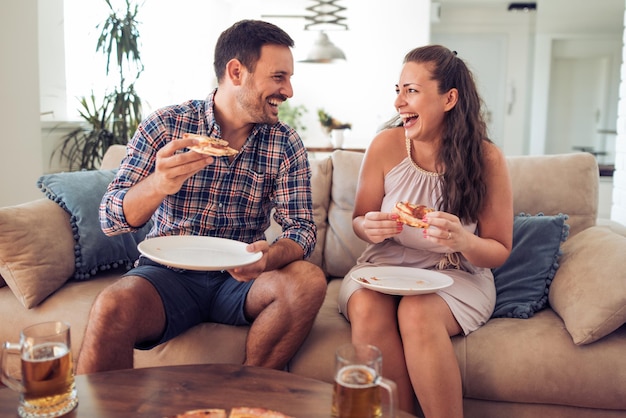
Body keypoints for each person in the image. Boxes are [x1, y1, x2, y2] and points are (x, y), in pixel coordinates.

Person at [76, 19, 327, 374]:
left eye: (288, 79)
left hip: (240, 279)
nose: (288, 91)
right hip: (167, 275)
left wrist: (268, 257)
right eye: (278, 77)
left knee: (308, 280)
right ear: (236, 71)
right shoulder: (166, 126)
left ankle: (247, 395)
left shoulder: (285, 142)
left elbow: (301, 229)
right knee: (111, 306)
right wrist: (158, 185)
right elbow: (111, 219)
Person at [337, 45, 513, 417]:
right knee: (367, 305)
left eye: (411, 91)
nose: (399, 102)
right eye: (397, 90)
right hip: (383, 264)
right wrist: (370, 228)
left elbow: (499, 250)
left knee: (417, 311)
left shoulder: (486, 159)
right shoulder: (385, 145)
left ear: (449, 98)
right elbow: (359, 220)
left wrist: (464, 241)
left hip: (455, 274)